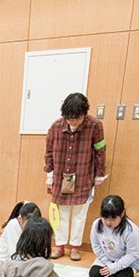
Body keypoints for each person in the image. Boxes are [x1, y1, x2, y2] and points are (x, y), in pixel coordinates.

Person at [44, 92, 107, 261]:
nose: (72, 122)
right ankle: (59, 246)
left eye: (76, 119)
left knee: (80, 214)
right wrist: (49, 176)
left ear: (84, 114)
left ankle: (74, 247)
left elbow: (100, 151)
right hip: (59, 175)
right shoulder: (55, 126)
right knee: (61, 214)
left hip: (83, 174)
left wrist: (99, 175)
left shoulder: (95, 125)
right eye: (69, 118)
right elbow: (49, 152)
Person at [89, 194, 139, 277]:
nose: (108, 222)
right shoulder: (96, 225)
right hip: (107, 259)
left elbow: (132, 254)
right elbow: (96, 246)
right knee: (94, 274)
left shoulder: (131, 230)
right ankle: (112, 272)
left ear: (122, 214)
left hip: (129, 262)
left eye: (113, 218)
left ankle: (132, 271)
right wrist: (108, 265)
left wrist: (114, 268)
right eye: (105, 218)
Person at [0, 201, 41, 277]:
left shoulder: (35, 227)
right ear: (20, 218)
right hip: (0, 265)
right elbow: (14, 255)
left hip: (20, 262)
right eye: (29, 223)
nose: (31, 227)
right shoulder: (13, 225)